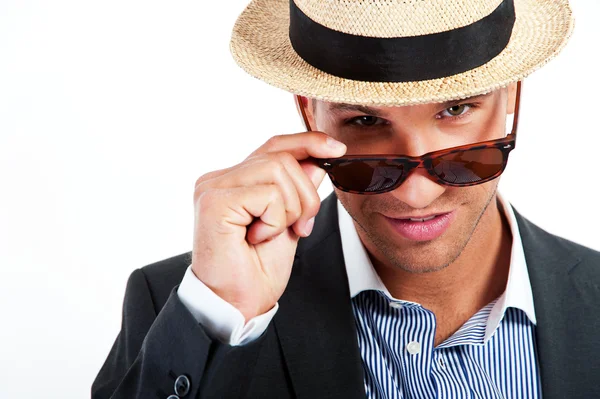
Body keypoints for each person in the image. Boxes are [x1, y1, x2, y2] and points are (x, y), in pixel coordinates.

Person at [92, 0, 600, 398]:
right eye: (366, 121)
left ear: (511, 96)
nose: (417, 192)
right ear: (309, 114)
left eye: (457, 109)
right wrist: (221, 317)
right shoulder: (185, 308)